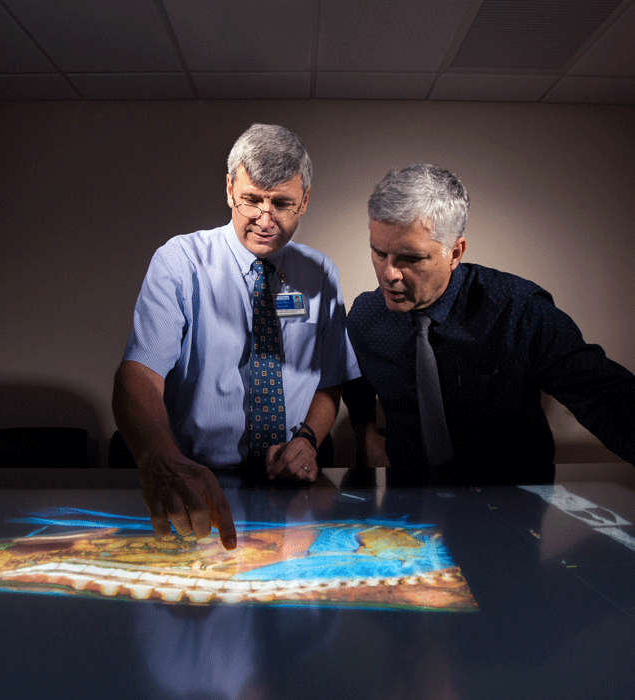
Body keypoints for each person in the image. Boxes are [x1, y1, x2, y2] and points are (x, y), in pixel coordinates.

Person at [113, 123, 360, 549]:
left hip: (291, 493)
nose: (264, 220)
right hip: (197, 482)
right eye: (251, 200)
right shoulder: (180, 262)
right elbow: (138, 374)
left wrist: (306, 440)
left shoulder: (321, 273)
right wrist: (161, 456)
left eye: (281, 203)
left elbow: (329, 380)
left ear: (304, 201)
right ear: (230, 190)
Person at [343, 162, 635, 487]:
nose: (389, 273)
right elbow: (356, 383)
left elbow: (606, 398)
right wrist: (365, 433)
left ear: (455, 252)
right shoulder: (365, 317)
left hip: (512, 501)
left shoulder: (517, 310)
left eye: (411, 258)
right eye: (379, 253)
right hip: (411, 505)